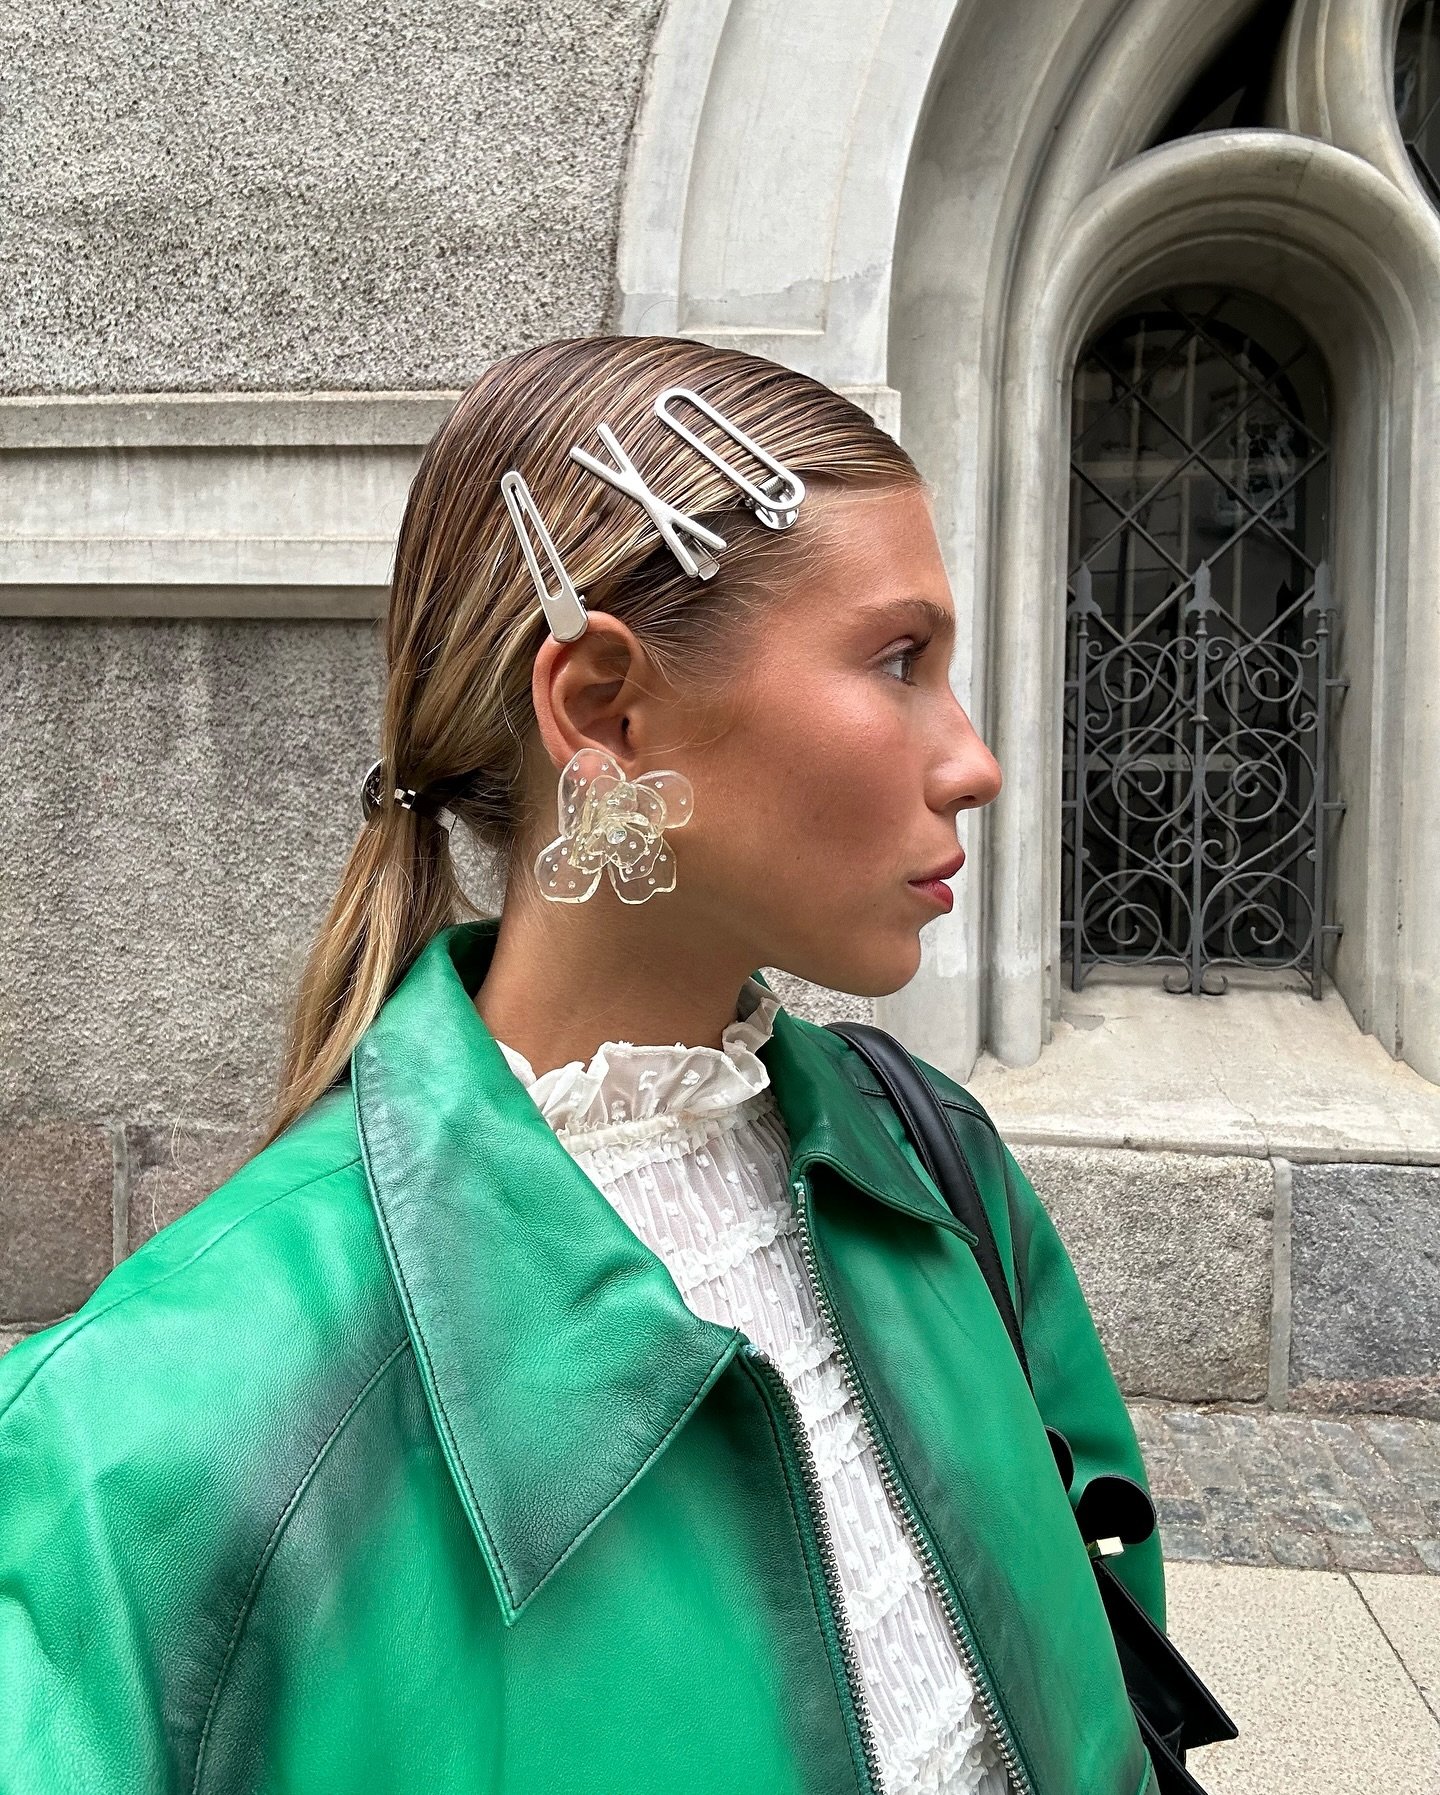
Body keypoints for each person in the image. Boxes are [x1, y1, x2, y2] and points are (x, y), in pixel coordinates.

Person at [0, 335, 1164, 1795]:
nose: (976, 759)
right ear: (606, 710)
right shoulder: (148, 1431)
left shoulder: (934, 1166)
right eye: (899, 660)